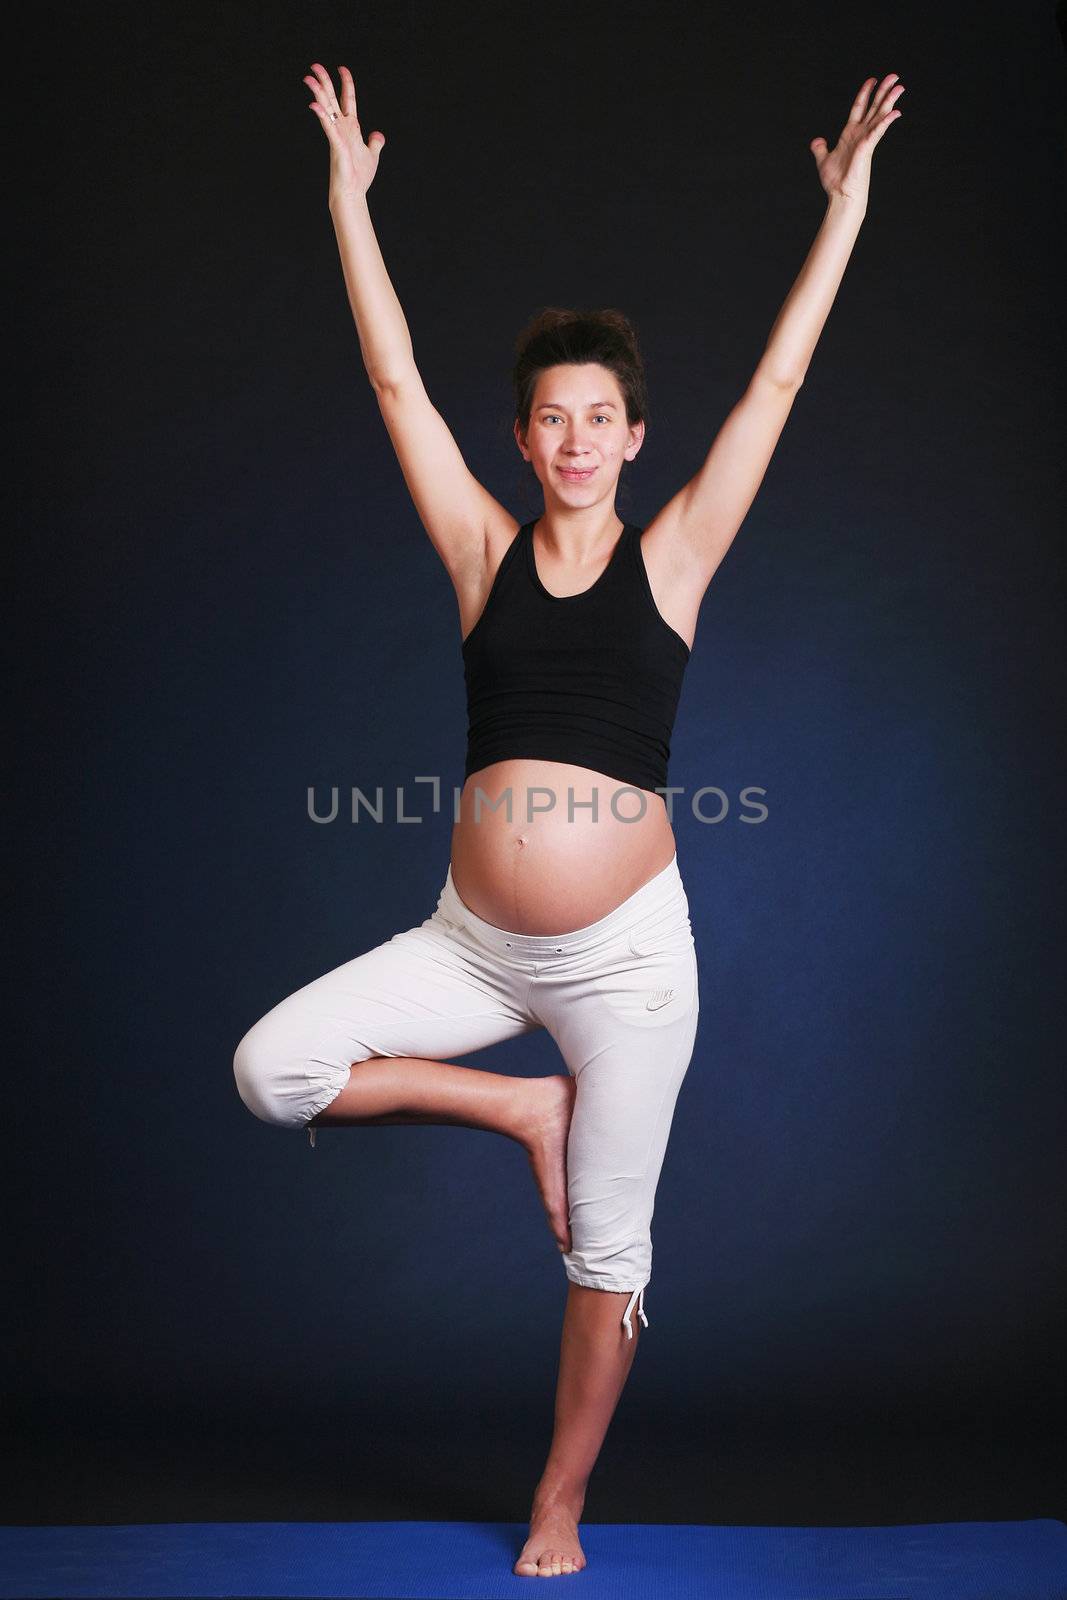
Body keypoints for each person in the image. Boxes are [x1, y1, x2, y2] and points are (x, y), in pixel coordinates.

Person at [233, 62, 904, 1579]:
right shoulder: (479, 549)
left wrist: (846, 211)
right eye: (554, 418)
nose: (580, 439)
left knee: (612, 1256)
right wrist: (349, 202)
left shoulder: (672, 562)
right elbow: (394, 381)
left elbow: (777, 388)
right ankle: (523, 1107)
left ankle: (558, 1501)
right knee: (272, 1070)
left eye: (603, 417)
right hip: (468, 951)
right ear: (526, 443)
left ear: (633, 438)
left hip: (625, 962)